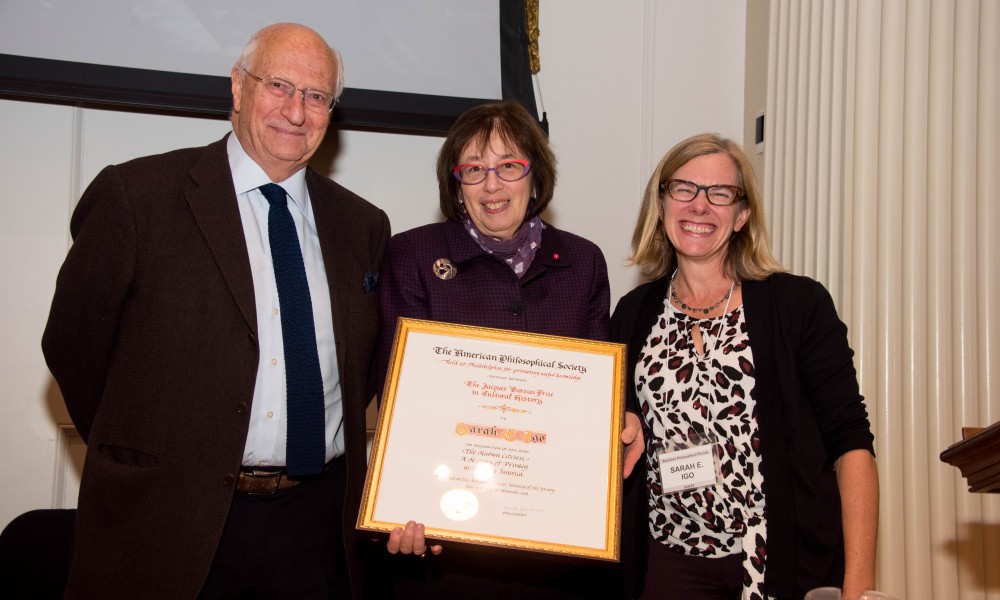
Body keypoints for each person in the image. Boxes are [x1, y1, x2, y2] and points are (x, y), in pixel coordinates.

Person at [41, 23, 389, 599]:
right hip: (168, 524)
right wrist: (142, 453)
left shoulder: (363, 226)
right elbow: (73, 344)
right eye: (279, 85)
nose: (296, 111)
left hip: (316, 530)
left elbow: (367, 366)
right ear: (238, 86)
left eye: (317, 96)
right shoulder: (138, 196)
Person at [368, 100, 643, 598]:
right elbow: (400, 396)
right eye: (473, 169)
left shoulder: (582, 261)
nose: (492, 185)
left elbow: (598, 390)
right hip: (446, 541)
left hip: (552, 542)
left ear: (535, 178)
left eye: (509, 166)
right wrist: (406, 500)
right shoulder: (413, 254)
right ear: (456, 185)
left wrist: (619, 417)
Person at [611, 133, 879, 600]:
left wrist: (858, 584)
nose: (700, 206)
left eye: (720, 194)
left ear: (742, 215)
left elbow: (851, 443)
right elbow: (621, 429)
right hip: (669, 560)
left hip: (780, 558)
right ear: (661, 203)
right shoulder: (633, 314)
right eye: (684, 188)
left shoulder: (798, 304)